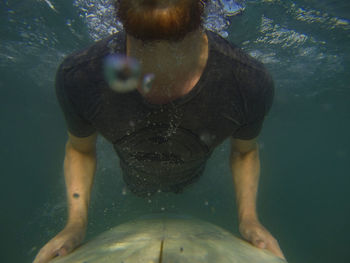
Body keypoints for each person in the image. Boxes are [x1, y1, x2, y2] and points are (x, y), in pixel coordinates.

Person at [34, 0, 285, 262]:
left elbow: (245, 152)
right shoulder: (81, 76)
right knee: (139, 189)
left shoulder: (248, 80)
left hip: (191, 178)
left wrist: (249, 220)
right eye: (147, 49)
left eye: (174, 51)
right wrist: (75, 225)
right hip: (134, 182)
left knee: (183, 186)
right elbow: (80, 149)